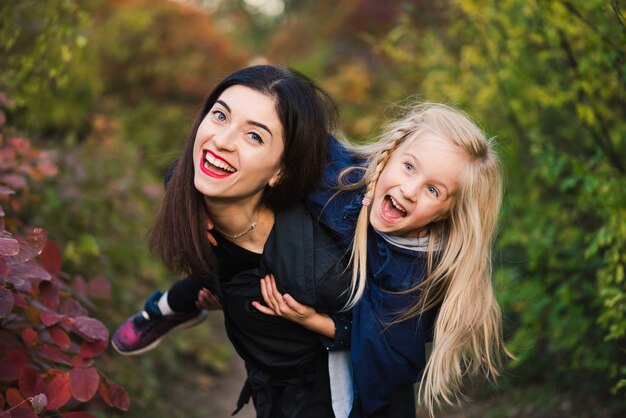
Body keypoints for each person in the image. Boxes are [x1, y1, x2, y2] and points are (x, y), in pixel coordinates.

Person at [112, 65, 353, 418]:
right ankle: (177, 304)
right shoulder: (188, 185)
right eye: (220, 115)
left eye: (255, 137)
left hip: (319, 394)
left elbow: (380, 334)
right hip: (262, 366)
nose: (221, 141)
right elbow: (179, 172)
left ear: (280, 171)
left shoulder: (319, 271)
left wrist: (318, 323)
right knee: (215, 271)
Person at [256, 102, 510, 417]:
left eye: (433, 190)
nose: (409, 190)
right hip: (292, 378)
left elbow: (384, 351)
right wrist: (219, 203)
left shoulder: (415, 275)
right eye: (409, 167)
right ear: (391, 154)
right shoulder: (346, 179)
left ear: (449, 212)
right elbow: (282, 124)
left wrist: (314, 321)